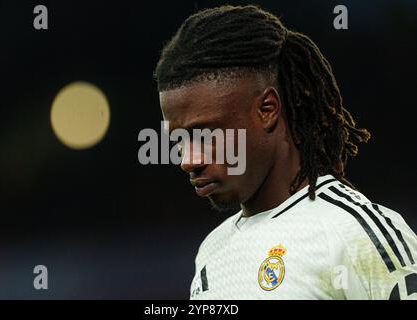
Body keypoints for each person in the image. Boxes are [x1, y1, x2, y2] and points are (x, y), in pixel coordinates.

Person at [154, 5, 417, 299]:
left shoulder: (354, 234)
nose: (189, 161)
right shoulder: (212, 251)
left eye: (205, 136)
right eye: (178, 140)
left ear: (267, 110)